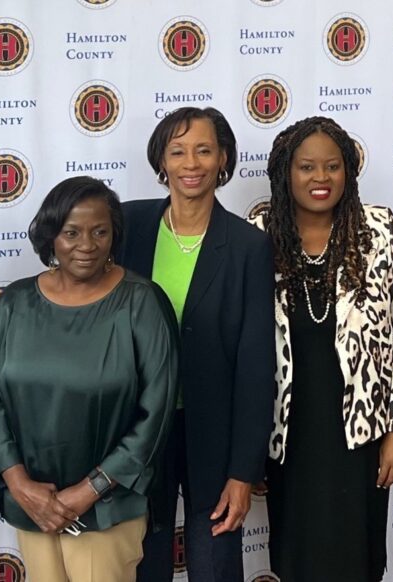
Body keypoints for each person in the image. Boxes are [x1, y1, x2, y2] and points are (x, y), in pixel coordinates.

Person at [247, 116, 393, 582]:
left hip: (361, 436)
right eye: (307, 167)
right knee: (295, 559)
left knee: (358, 559)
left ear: (349, 171)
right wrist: (246, 447)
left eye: (333, 166)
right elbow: (241, 345)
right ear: (286, 172)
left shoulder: (380, 230)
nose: (320, 178)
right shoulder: (259, 233)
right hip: (287, 436)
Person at [0, 176, 178, 582]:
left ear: (114, 235)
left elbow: (155, 416)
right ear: (51, 236)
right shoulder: (15, 303)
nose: (87, 244)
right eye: (71, 232)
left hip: (107, 509)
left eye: (100, 231)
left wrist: (88, 490)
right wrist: (19, 485)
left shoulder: (142, 302)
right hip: (32, 506)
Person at [118, 106, 276, 582]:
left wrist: (243, 471)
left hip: (215, 434)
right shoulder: (127, 227)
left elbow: (255, 362)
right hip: (139, 432)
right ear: (161, 160)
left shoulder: (248, 245)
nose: (191, 163)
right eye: (178, 151)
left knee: (215, 564)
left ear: (223, 158)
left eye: (204, 150)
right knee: (144, 562)